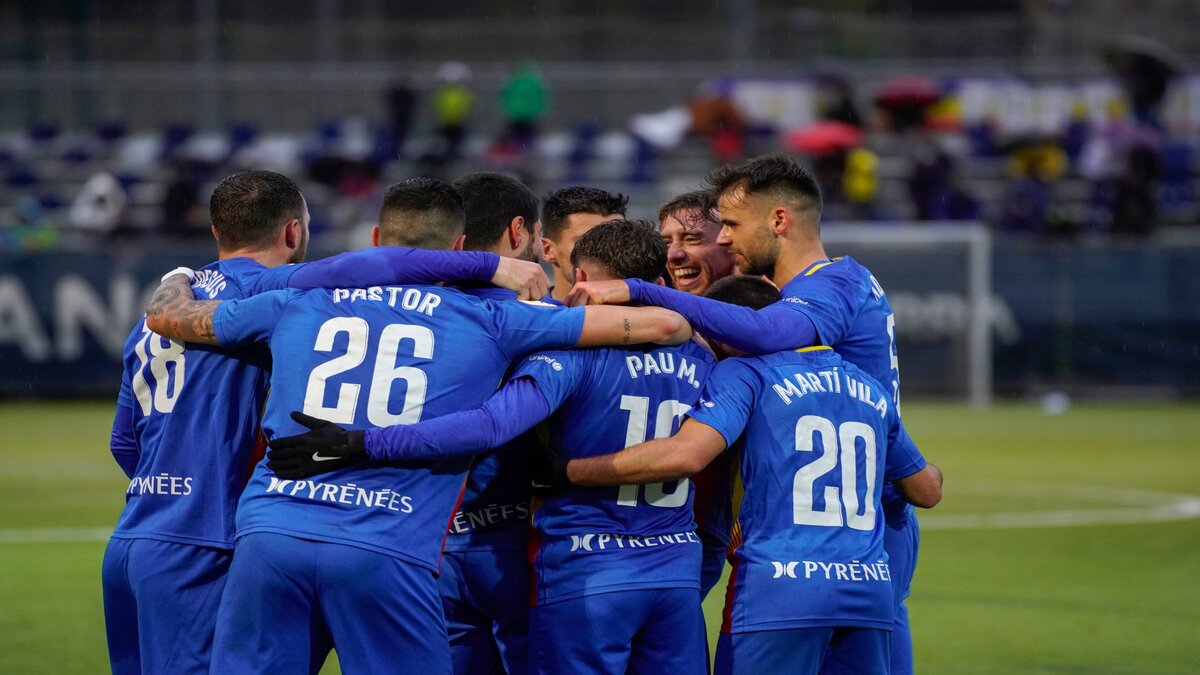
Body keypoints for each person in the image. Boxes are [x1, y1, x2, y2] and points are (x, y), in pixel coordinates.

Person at [141, 187, 693, 674]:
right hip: (385, 545)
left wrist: (175, 278)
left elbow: (168, 318)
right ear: (460, 249)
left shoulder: (297, 300)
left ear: (380, 237)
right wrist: (591, 297)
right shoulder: (494, 319)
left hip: (271, 535)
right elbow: (668, 324)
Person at [101, 171, 549, 675]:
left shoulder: (164, 309)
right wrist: (491, 265)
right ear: (293, 233)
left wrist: (175, 277)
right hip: (211, 542)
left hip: (134, 539)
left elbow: (124, 443)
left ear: (215, 232)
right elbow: (382, 263)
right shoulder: (274, 288)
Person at [268, 219, 716, 675]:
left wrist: (364, 441)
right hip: (674, 567)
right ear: (660, 282)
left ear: (580, 279)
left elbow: (490, 424)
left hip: (582, 569)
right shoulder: (706, 357)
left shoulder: (565, 356)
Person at [567, 153, 933, 675]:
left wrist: (638, 291)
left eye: (731, 226)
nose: (724, 239)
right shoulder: (817, 290)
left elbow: (766, 334)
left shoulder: (829, 285)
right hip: (842, 518)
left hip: (852, 519)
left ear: (779, 220)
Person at [548, 344, 942, 675]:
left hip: (779, 587)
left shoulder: (748, 373)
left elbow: (687, 454)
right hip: (867, 588)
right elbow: (926, 490)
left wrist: (568, 471)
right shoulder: (868, 386)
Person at [431, 172, 544, 675]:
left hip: (430, 542)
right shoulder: (544, 319)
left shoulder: (409, 316)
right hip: (521, 543)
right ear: (518, 232)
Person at [540, 186, 628, 303]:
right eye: (586, 241)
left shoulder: (652, 310)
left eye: (617, 240)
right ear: (548, 250)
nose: (608, 251)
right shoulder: (522, 317)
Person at [658, 190, 737, 296]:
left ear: (732, 244)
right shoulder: (654, 309)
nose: (671, 255)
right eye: (667, 242)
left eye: (691, 239)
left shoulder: (762, 309)